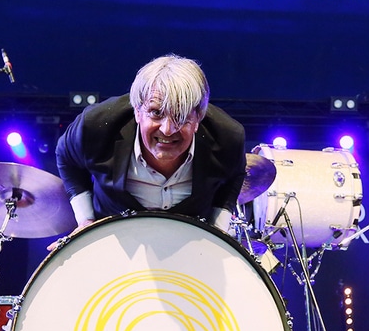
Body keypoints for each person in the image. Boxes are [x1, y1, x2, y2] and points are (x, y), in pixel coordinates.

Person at [51, 54, 246, 248]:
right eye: (156, 113)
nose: (167, 130)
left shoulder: (227, 137)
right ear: (137, 111)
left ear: (198, 117)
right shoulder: (95, 125)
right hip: (112, 245)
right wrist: (86, 221)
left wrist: (217, 231)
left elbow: (234, 175)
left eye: (181, 115)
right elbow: (66, 156)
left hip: (190, 249)